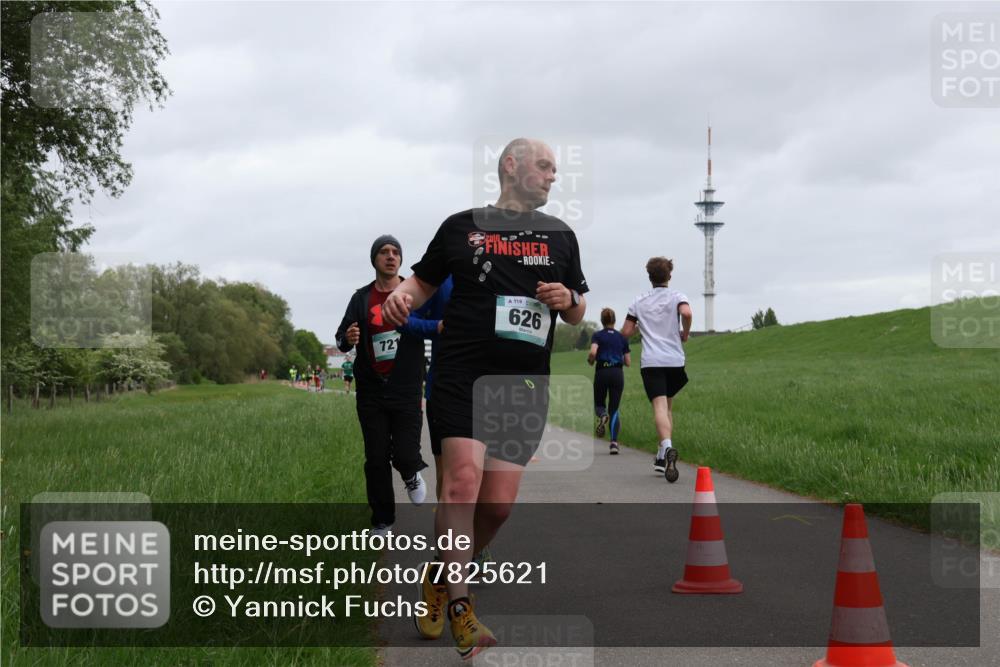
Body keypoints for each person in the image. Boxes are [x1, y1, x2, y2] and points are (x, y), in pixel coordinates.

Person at [382, 138, 588, 659]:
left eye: (556, 170)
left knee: (496, 505)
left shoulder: (561, 237)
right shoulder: (461, 226)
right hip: (461, 373)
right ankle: (461, 606)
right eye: (544, 166)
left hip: (522, 384)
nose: (552, 177)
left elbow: (579, 307)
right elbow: (419, 285)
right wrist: (397, 304)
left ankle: (440, 571)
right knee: (462, 483)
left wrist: (569, 300)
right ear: (510, 166)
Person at [335, 235, 429, 536]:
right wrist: (347, 338)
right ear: (374, 259)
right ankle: (382, 521)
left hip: (406, 386)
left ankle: (411, 472)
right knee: (375, 458)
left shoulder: (416, 293)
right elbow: (341, 336)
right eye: (384, 252)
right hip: (372, 390)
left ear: (401, 259)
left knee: (403, 455)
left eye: (396, 252)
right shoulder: (361, 298)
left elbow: (435, 323)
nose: (391, 256)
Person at [620, 257, 692, 483]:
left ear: (649, 277)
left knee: (660, 407)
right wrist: (685, 333)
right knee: (668, 406)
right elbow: (687, 313)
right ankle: (661, 457)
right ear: (669, 276)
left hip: (652, 361)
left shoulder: (638, 301)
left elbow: (626, 331)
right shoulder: (678, 296)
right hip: (674, 360)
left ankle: (668, 447)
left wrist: (641, 326)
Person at [587, 307, 631, 455]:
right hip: (617, 373)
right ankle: (613, 443)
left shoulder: (597, 335)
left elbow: (593, 352)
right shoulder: (621, 338)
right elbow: (628, 361)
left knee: (599, 404)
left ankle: (602, 415)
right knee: (615, 409)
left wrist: (591, 361)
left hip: (602, 372)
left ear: (602, 321)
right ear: (614, 320)